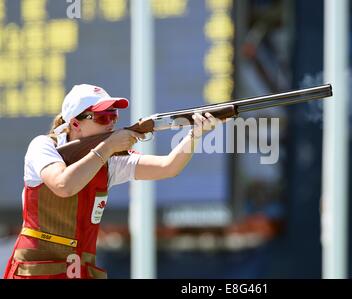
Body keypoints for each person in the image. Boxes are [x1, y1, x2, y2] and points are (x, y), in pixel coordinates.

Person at [3, 84, 218, 279]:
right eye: (102, 117)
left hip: (81, 272)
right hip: (37, 271)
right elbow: (63, 185)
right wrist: (107, 148)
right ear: (75, 123)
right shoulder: (43, 146)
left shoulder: (110, 160)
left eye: (113, 115)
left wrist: (195, 135)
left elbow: (169, 167)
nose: (112, 122)